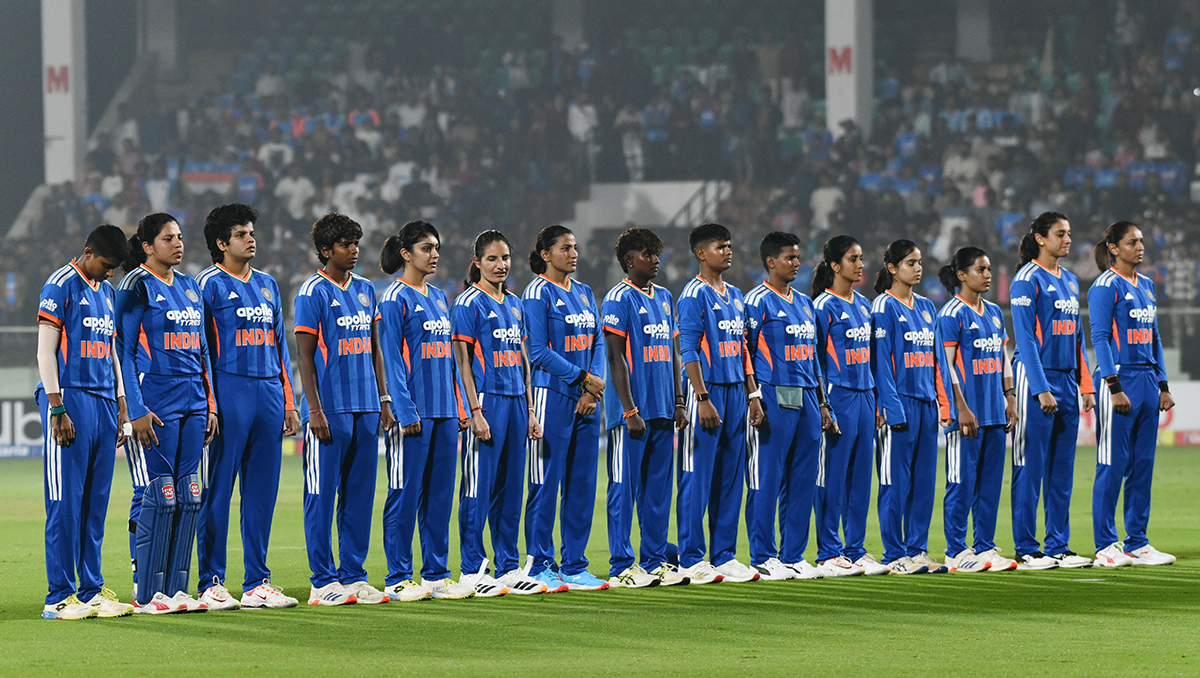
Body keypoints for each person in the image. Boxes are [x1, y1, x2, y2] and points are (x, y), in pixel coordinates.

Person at [194, 204, 301, 610]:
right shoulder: (206, 285)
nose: (251, 238)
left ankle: (257, 581)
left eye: (251, 232)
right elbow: (200, 350)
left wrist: (289, 402)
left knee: (261, 494)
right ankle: (211, 582)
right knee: (217, 491)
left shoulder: (270, 285)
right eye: (241, 234)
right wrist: (210, 403)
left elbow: (279, 348)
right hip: (229, 392)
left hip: (269, 395)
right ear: (221, 243)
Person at [117, 212, 220, 613]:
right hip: (156, 403)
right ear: (147, 246)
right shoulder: (135, 285)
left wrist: (210, 404)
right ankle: (147, 592)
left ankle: (177, 590)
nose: (177, 243)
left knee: (189, 496)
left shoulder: (191, 286)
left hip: (194, 402)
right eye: (167, 238)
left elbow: (203, 351)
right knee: (160, 496)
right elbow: (123, 351)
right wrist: (136, 409)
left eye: (179, 237)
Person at [294, 212, 397, 606]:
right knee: (321, 495)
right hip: (330, 410)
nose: (353, 250)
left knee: (358, 496)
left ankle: (353, 576)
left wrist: (384, 400)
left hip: (366, 407)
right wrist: (314, 410)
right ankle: (323, 581)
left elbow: (375, 351)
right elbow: (304, 356)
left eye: (356, 243)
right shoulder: (312, 293)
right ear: (326, 251)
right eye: (345, 245)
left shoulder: (367, 290)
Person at [37, 224, 134, 620]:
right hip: (70, 399)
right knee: (64, 504)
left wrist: (122, 401)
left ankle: (91, 591)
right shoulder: (59, 285)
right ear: (89, 252)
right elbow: (45, 351)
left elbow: (111, 351)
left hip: (104, 403)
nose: (111, 273)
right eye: (107, 265)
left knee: (95, 506)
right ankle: (58, 597)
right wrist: (57, 407)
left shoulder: (108, 293)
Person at [377, 221, 476, 601]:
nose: (434, 254)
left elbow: (451, 359)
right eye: (426, 248)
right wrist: (404, 410)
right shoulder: (393, 298)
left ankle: (435, 573)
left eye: (437, 247)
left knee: (438, 496)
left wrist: (460, 407)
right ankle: (399, 575)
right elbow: (392, 360)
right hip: (414, 414)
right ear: (406, 254)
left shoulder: (438, 297)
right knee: (403, 493)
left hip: (445, 412)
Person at [452, 230, 549, 595]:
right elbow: (461, 361)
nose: (501, 265)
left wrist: (531, 410)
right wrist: (474, 410)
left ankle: (508, 566)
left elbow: (523, 362)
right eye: (492, 258)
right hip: (487, 400)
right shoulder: (467, 304)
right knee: (478, 486)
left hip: (515, 402)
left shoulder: (515, 303)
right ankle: (472, 569)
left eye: (505, 258)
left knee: (511, 488)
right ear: (477, 261)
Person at [743, 231, 836, 581]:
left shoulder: (804, 303)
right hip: (773, 396)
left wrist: (823, 403)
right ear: (771, 262)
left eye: (798, 257)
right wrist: (753, 395)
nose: (797, 263)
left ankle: (793, 555)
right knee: (766, 478)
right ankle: (763, 555)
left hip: (808, 396)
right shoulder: (756, 301)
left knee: (803, 480)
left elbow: (813, 356)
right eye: (790, 258)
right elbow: (745, 353)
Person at [522, 225, 609, 592]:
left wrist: (591, 388)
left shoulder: (586, 292)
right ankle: (539, 563)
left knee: (582, 484)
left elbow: (598, 341)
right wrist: (582, 378)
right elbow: (538, 352)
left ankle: (574, 564)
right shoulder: (536, 293)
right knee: (545, 482)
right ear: (545, 254)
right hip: (551, 397)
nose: (573, 254)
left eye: (575, 247)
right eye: (565, 248)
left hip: (586, 399)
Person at [676, 223, 764, 585]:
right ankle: (691, 558)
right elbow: (688, 349)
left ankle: (724, 555)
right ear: (701, 253)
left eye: (729, 245)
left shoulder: (736, 295)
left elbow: (743, 348)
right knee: (697, 477)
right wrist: (701, 397)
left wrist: (753, 393)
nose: (728, 251)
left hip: (735, 393)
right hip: (709, 391)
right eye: (720, 246)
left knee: (730, 477)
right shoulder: (692, 295)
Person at [602, 228, 689, 589]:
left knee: (657, 492)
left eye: (656, 254)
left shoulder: (665, 297)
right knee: (623, 487)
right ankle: (622, 564)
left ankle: (654, 561)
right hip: (632, 414)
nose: (655, 260)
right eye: (646, 254)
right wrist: (628, 409)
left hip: (663, 409)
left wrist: (679, 400)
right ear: (628, 261)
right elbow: (614, 356)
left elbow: (672, 354)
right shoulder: (617, 298)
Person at [1009, 212, 1096, 570]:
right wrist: (1041, 387)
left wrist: (1086, 383)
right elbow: (1025, 337)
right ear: (1041, 239)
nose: (1068, 239)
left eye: (1070, 232)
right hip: (1036, 379)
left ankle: (1058, 545)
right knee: (1029, 467)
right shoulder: (1026, 279)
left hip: (1067, 379)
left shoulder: (1072, 280)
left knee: (1062, 469)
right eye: (1060, 233)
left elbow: (1076, 336)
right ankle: (1027, 548)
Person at [1088, 221, 1176, 567]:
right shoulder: (1104, 286)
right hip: (1121, 379)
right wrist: (1113, 386)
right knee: (1112, 463)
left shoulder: (1148, 286)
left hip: (1147, 381)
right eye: (1131, 242)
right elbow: (1099, 338)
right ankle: (1105, 544)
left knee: (1143, 464)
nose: (1140, 247)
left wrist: (1164, 385)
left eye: (1141, 241)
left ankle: (1137, 542)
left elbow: (1154, 339)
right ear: (1113, 248)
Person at [870, 240, 954, 575]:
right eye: (910, 263)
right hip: (900, 406)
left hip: (926, 406)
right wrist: (892, 409)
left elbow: (936, 361)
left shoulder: (926, 308)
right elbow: (882, 364)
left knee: (923, 484)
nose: (918, 268)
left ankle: (917, 550)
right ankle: (894, 554)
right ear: (892, 268)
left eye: (919, 262)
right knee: (895, 483)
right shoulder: (883, 308)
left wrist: (943, 402)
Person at [937, 247, 1020, 573]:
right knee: (960, 483)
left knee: (988, 485)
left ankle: (984, 546)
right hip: (967, 416)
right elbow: (946, 365)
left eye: (988, 269)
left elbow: (1001, 357)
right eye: (981, 270)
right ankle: (956, 550)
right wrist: (961, 407)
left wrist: (1010, 397)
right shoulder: (951, 314)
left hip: (994, 413)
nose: (988, 275)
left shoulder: (994, 312)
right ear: (961, 275)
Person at [811, 236, 887, 576]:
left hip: (865, 395)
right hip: (838, 395)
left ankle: (855, 549)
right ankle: (828, 551)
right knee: (832, 476)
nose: (860, 264)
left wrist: (878, 401)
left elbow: (872, 360)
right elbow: (815, 360)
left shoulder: (863, 305)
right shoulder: (822, 307)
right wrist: (823, 403)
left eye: (861, 258)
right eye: (853, 259)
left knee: (859, 479)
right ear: (834, 265)